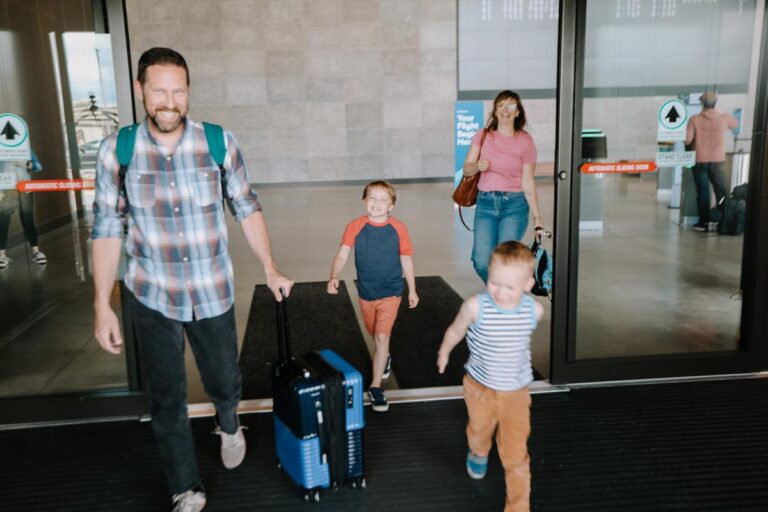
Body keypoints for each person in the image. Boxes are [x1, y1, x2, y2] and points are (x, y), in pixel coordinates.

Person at [90, 47, 293, 512]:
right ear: (141, 90)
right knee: (166, 397)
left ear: (188, 91)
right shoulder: (117, 150)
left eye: (178, 90)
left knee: (224, 379)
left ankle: (227, 420)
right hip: (151, 293)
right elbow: (105, 227)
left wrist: (269, 264)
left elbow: (246, 206)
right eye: (159, 90)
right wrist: (103, 303)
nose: (169, 101)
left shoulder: (218, 143)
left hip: (212, 288)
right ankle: (186, 486)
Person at [437, 240, 543, 512]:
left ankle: (518, 506)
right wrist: (445, 351)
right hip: (479, 387)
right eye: (494, 282)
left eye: (510, 286)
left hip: (516, 394)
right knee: (478, 431)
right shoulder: (476, 307)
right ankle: (479, 450)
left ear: (528, 285)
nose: (500, 292)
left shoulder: (534, 311)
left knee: (516, 454)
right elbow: (456, 330)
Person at [327, 180, 419, 413]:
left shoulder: (399, 228)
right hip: (366, 292)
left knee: (381, 335)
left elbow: (406, 259)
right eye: (372, 198)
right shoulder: (355, 226)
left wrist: (412, 289)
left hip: (391, 291)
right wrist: (334, 275)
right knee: (373, 330)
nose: (377, 204)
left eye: (383, 199)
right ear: (364, 202)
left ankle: (376, 387)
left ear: (391, 206)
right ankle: (384, 356)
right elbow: (342, 255)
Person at [462, 90, 544, 283]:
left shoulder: (525, 142)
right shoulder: (482, 135)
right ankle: (499, 292)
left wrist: (537, 218)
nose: (505, 110)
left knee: (505, 260)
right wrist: (477, 166)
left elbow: (528, 182)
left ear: (517, 112)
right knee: (481, 261)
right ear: (495, 110)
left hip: (514, 206)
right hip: (486, 204)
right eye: (501, 105)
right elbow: (466, 169)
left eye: (511, 106)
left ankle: (503, 298)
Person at [685, 91, 738, 232]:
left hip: (700, 160)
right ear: (715, 103)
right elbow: (735, 124)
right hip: (718, 161)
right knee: (721, 192)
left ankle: (703, 223)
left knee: (703, 192)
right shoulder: (724, 118)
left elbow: (688, 140)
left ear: (702, 104)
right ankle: (723, 221)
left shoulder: (694, 119)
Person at [0, 150, 47, 269]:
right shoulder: (1, 147)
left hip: (25, 187)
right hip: (6, 189)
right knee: (3, 221)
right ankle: (1, 255)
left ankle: (36, 252)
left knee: (28, 219)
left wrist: (26, 164)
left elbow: (39, 166)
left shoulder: (25, 148)